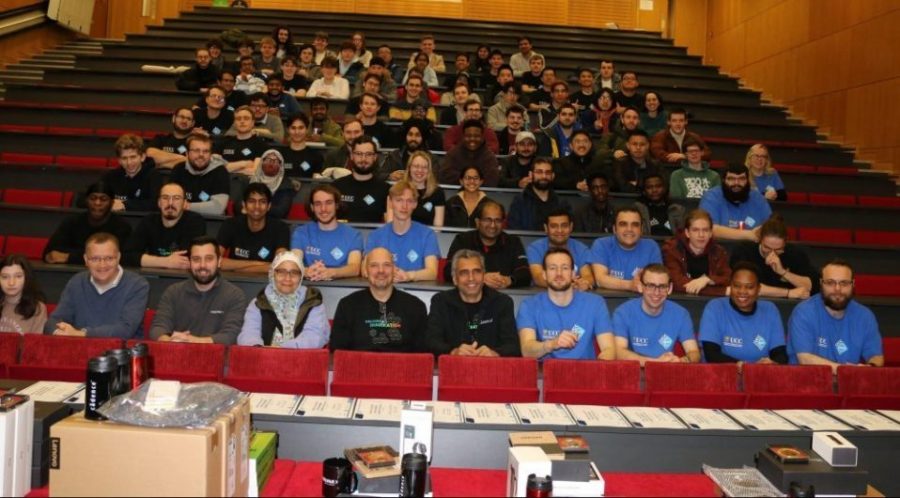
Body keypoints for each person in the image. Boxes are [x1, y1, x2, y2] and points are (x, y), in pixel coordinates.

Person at [44, 232, 149, 339]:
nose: (102, 265)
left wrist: (82, 334)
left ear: (118, 257)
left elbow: (125, 329)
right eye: (95, 259)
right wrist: (59, 331)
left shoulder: (137, 285)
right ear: (85, 260)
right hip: (80, 351)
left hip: (122, 353)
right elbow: (53, 321)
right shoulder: (76, 282)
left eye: (109, 258)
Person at [517, 248, 615, 360]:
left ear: (573, 273)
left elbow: (609, 349)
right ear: (544, 274)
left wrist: (600, 367)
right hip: (545, 374)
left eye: (565, 268)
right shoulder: (529, 306)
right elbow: (527, 350)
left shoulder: (595, 303)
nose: (559, 273)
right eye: (553, 268)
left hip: (585, 373)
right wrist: (552, 344)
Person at [149, 236, 247, 344]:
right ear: (189, 263)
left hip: (216, 358)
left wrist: (192, 341)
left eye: (209, 259)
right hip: (177, 353)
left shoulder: (235, 295)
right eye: (196, 259)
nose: (202, 265)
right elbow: (158, 328)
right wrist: (170, 341)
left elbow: (230, 336)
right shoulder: (173, 292)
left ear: (219, 261)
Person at [788, 260, 883, 369]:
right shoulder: (803, 312)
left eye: (844, 283)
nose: (837, 289)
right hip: (808, 382)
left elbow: (876, 356)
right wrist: (846, 371)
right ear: (821, 283)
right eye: (830, 282)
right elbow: (804, 359)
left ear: (853, 284)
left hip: (848, 383)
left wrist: (870, 366)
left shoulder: (865, 316)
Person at [330, 247, 428, 352]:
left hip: (400, 368)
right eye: (374, 265)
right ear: (366, 271)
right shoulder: (347, 306)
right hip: (360, 367)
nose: (381, 271)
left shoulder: (416, 307)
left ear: (394, 269)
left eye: (386, 265)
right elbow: (337, 352)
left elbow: (422, 356)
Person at [426, 249, 521, 357]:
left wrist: (495, 353)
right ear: (455, 279)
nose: (471, 278)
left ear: (484, 275)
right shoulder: (441, 301)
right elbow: (431, 342)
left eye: (477, 271)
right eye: (464, 273)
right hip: (454, 368)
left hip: (490, 369)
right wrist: (453, 351)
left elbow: (513, 346)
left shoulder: (502, 302)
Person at [699, 263, 788, 367]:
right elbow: (711, 354)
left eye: (749, 287)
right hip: (720, 375)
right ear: (730, 286)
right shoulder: (715, 307)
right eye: (736, 286)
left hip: (760, 376)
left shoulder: (770, 310)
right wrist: (744, 367)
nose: (742, 291)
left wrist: (772, 363)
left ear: (758, 289)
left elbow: (780, 354)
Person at [237, 251, 329, 348]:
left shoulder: (312, 301)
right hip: (264, 359)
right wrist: (259, 349)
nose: (287, 278)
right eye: (281, 272)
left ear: (301, 277)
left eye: (294, 273)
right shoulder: (259, 302)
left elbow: (314, 337)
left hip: (302, 360)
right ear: (273, 274)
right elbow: (248, 333)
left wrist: (283, 351)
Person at [613, 264, 701, 365]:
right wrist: (655, 363)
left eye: (662, 286)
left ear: (670, 288)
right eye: (650, 286)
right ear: (640, 287)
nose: (656, 292)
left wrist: (681, 361)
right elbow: (618, 352)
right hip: (634, 374)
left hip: (668, 372)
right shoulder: (623, 312)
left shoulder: (681, 314)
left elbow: (694, 353)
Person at [365, 181, 440, 282]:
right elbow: (364, 269)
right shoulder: (375, 236)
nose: (404, 206)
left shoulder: (427, 234)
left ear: (415, 204)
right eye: (399, 200)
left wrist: (408, 276)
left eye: (409, 201)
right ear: (390, 203)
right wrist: (389, 273)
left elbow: (432, 272)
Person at [443, 200, 529, 288]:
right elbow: (449, 271)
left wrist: (509, 280)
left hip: (505, 295)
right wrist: (480, 278)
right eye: (487, 220)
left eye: (498, 220)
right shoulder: (463, 240)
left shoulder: (513, 242)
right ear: (477, 222)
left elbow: (525, 272)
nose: (493, 225)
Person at [729, 214, 817, 299]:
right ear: (759, 240)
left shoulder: (796, 254)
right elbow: (748, 287)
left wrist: (783, 272)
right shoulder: (744, 251)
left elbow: (810, 286)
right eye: (767, 248)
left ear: (785, 243)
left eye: (778, 249)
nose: (772, 253)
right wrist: (788, 293)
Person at [43, 182, 132, 265]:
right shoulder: (71, 222)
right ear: (86, 200)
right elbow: (50, 253)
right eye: (93, 198)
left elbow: (121, 257)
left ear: (111, 203)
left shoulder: (122, 226)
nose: (97, 203)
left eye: (103, 199)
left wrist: (68, 257)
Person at [123, 182, 206, 270]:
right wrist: (165, 262)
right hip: (153, 275)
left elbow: (187, 259)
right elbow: (127, 255)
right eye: (165, 198)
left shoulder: (195, 221)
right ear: (159, 202)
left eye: (176, 198)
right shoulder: (148, 221)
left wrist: (149, 261)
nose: (170, 203)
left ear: (185, 203)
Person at [291, 184, 364, 280]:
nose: (323, 209)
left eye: (328, 203)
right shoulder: (301, 232)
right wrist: (306, 271)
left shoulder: (353, 235)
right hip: (307, 288)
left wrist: (331, 273)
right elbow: (294, 264)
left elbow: (355, 268)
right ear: (312, 207)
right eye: (318, 204)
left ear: (337, 205)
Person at [217, 182, 290, 273]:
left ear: (269, 206)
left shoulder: (280, 228)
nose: (257, 207)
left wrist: (234, 266)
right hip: (233, 280)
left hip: (266, 283)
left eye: (262, 202)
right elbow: (216, 261)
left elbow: (280, 265)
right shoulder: (230, 224)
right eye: (252, 201)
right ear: (244, 205)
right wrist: (263, 265)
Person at [590, 207, 663, 292]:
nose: (629, 229)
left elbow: (658, 280)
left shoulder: (651, 247)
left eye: (635, 225)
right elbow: (600, 280)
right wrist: (630, 285)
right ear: (614, 229)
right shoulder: (601, 244)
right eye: (623, 224)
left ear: (641, 229)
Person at [662, 209, 731, 296]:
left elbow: (728, 278)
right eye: (695, 230)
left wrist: (707, 279)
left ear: (710, 233)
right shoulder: (672, 249)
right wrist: (722, 291)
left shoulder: (718, 251)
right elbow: (676, 284)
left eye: (705, 230)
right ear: (687, 233)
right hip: (681, 301)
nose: (701, 235)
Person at [699, 163, 772, 241]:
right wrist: (750, 235)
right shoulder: (711, 197)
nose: (736, 183)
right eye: (731, 179)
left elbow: (771, 228)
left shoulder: (758, 198)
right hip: (720, 248)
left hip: (751, 249)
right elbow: (708, 229)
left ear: (748, 180)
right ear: (723, 180)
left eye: (741, 179)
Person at [527, 207, 593, 290]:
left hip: (575, 295)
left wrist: (584, 283)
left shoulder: (581, 248)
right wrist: (566, 286)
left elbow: (588, 276)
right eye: (554, 226)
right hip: (544, 295)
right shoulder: (535, 248)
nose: (560, 230)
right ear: (546, 228)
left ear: (571, 226)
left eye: (564, 226)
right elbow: (538, 277)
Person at [333, 136, 390, 223]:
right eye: (359, 154)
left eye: (368, 154)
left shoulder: (385, 189)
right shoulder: (336, 186)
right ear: (352, 156)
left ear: (375, 157)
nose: (363, 159)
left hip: (372, 236)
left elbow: (389, 223)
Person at [170, 133, 230, 215]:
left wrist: (187, 206)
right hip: (181, 219)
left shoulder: (220, 171)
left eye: (205, 151)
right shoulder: (178, 169)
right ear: (187, 153)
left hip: (210, 222)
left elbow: (218, 208)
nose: (201, 155)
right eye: (196, 150)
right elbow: (170, 201)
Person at [103, 134, 162, 212]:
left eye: (133, 157)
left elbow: (157, 204)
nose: (129, 163)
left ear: (142, 157)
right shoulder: (111, 176)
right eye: (124, 158)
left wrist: (124, 205)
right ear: (119, 160)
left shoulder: (153, 175)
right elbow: (90, 197)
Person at [508, 158, 569, 231]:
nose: (544, 176)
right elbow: (515, 230)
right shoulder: (519, 202)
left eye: (548, 172)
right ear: (531, 175)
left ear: (553, 176)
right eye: (539, 172)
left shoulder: (562, 203)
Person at [439, 119, 500, 187]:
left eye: (476, 136)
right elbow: (445, 175)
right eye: (468, 136)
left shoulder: (489, 156)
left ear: (482, 137)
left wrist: (466, 180)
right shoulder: (453, 153)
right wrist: (470, 180)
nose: (472, 139)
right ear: (463, 137)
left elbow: (492, 180)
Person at [0, 254, 47, 334]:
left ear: (27, 278)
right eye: (5, 277)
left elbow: (35, 344)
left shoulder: (38, 309)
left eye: (18, 276)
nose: (11, 283)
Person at [397, 151, 445, 226]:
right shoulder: (398, 189)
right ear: (409, 168)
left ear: (429, 170)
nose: (420, 170)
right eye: (416, 166)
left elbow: (438, 226)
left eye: (424, 167)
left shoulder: (438, 192)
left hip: (427, 236)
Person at [248, 148, 297, 219]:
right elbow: (238, 206)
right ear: (262, 162)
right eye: (268, 159)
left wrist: (254, 207)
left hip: (274, 223)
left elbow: (280, 212)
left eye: (276, 161)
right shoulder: (250, 181)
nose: (271, 163)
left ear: (281, 166)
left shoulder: (286, 185)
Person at [612, 129, 661, 193]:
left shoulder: (655, 165)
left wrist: (636, 185)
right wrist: (645, 188)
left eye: (642, 144)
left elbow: (661, 187)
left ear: (648, 146)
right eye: (634, 144)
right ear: (628, 145)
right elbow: (622, 186)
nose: (638, 147)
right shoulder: (619, 164)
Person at [279, 113, 324, 178]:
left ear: (307, 130)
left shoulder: (316, 156)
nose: (297, 132)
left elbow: (317, 183)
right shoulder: (279, 155)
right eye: (293, 128)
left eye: (301, 128)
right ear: (288, 130)